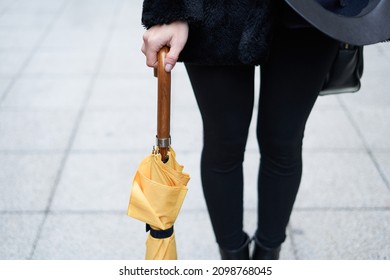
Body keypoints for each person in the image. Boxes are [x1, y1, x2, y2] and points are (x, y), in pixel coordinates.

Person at [140, 0, 347, 260]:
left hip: (311, 11)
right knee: (224, 142)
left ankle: (268, 257)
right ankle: (234, 262)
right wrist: (168, 11)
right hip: (218, 11)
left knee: (284, 142)